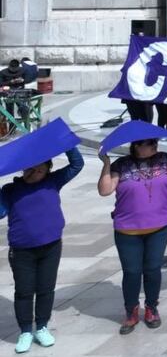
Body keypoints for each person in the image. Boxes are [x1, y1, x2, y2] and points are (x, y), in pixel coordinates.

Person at [97, 136, 167, 335]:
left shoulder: (164, 159)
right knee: (131, 272)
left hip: (159, 226)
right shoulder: (121, 165)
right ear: (137, 146)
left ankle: (151, 308)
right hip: (127, 229)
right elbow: (105, 190)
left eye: (155, 143)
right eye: (150, 143)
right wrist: (106, 164)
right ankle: (131, 311)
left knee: (153, 269)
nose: (155, 146)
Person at [0, 146, 83, 353]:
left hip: (51, 247)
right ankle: (26, 331)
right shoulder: (10, 190)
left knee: (46, 289)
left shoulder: (53, 181)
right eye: (30, 169)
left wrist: (66, 143)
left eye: (39, 170)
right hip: (22, 251)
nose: (33, 173)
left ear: (47, 170)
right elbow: (1, 212)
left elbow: (77, 164)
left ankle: (42, 327)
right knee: (24, 291)